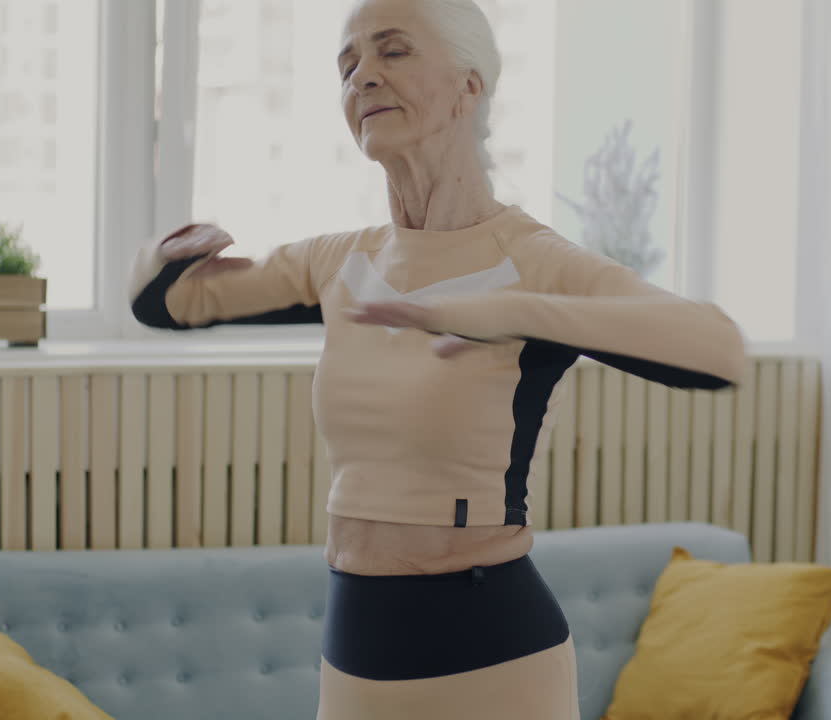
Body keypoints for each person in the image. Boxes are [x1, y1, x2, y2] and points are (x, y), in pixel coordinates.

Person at [128, 0, 748, 717]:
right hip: (356, 656)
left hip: (494, 655)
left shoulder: (532, 261)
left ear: (469, 86)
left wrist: (512, 314)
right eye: (348, 62)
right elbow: (166, 303)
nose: (363, 76)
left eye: (393, 52)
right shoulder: (338, 262)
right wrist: (164, 253)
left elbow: (720, 349)